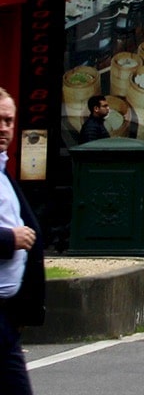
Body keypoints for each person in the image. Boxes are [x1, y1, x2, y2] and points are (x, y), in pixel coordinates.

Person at [0, 90, 46, 395]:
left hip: (7, 315)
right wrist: (9, 238)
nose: (4, 128)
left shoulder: (4, 173)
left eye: (9, 120)